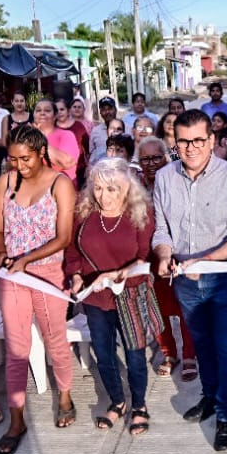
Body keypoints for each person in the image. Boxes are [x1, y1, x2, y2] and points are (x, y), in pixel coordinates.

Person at [151, 109, 227, 454]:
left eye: (199, 140)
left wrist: (206, 260)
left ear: (211, 140)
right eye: (184, 141)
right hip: (185, 280)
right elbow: (162, 229)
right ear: (174, 142)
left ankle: (226, 417)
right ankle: (210, 397)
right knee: (202, 344)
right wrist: (165, 255)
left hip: (224, 279)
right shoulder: (165, 178)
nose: (191, 148)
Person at [0, 124, 78, 454]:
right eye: (13, 159)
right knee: (17, 348)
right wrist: (2, 251)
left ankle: (65, 396)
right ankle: (16, 420)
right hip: (12, 275)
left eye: (25, 159)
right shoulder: (6, 182)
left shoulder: (61, 184)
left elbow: (63, 237)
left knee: (55, 338)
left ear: (41, 153)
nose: (19, 166)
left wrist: (26, 259)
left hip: (47, 273)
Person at [67, 158, 156, 437]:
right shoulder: (83, 213)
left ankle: (139, 405)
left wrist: (126, 271)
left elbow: (145, 256)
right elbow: (72, 250)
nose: (103, 196)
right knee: (103, 354)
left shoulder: (141, 214)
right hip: (95, 297)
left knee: (134, 353)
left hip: (129, 293)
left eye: (112, 189)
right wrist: (77, 275)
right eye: (98, 188)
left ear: (127, 188)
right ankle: (117, 400)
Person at [136, 137, 198, 379]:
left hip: (177, 254)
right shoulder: (135, 187)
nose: (151, 163)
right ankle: (168, 352)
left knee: (185, 307)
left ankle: (190, 354)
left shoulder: (178, 183)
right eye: (145, 158)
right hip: (147, 258)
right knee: (157, 308)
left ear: (166, 157)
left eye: (156, 157)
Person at [31, 98, 80, 180]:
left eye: (47, 110)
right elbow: (12, 164)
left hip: (59, 187)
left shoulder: (66, 135)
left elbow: (67, 162)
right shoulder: (26, 136)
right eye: (38, 110)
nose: (42, 113)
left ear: (55, 115)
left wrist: (40, 139)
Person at [88, 96, 118, 164]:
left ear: (115, 110)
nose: (107, 112)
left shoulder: (126, 128)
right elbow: (92, 154)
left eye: (110, 108)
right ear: (100, 112)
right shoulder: (95, 131)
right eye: (104, 109)